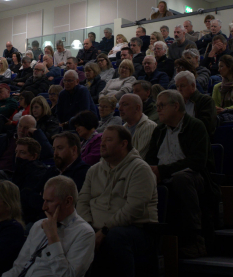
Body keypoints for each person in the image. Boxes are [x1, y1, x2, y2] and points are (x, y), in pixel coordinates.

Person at [78, 126, 158, 277]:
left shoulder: (140, 169)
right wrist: (87, 228)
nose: (102, 144)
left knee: (115, 238)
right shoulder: (94, 170)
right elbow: (82, 201)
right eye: (102, 140)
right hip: (95, 228)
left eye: (108, 140)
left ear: (123, 144)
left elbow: (134, 209)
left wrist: (105, 230)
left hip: (135, 229)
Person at [145, 90, 216, 258]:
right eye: (157, 106)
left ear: (176, 106)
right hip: (164, 176)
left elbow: (197, 162)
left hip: (194, 177)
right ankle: (150, 244)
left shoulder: (195, 126)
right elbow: (150, 159)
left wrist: (162, 171)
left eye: (161, 106)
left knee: (181, 179)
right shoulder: (159, 130)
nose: (158, 110)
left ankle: (196, 241)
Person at [2, 175, 95, 277]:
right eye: (44, 200)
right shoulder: (38, 225)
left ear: (68, 201)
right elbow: (19, 266)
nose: (44, 207)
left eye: (49, 201)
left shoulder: (84, 233)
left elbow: (68, 275)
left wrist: (53, 238)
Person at [173, 71, 217, 135]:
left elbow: (206, 127)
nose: (179, 89)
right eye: (177, 86)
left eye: (182, 86)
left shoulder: (205, 101)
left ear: (193, 86)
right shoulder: (176, 104)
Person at [118, 93, 157, 158]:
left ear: (137, 108)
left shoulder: (149, 127)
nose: (119, 108)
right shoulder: (123, 128)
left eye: (124, 105)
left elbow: (139, 157)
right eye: (119, 105)